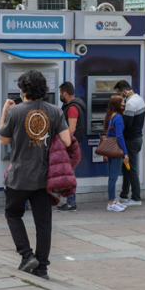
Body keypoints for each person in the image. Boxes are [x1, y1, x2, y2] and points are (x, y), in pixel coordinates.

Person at [0, 70, 70, 280]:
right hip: (44, 177)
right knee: (43, 222)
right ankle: (42, 268)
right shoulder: (55, 111)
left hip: (19, 176)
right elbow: (66, 141)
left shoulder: (15, 112)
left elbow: (3, 140)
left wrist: (4, 111)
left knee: (13, 214)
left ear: (23, 90)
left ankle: (27, 255)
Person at [114, 80, 145, 206]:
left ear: (125, 91)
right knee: (126, 167)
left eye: (119, 93)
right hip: (137, 138)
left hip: (131, 140)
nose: (119, 96)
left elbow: (127, 124)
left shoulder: (131, 103)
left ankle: (136, 197)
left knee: (131, 168)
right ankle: (124, 194)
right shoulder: (139, 99)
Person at [56, 81, 86, 213]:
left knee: (69, 174)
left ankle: (71, 203)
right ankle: (69, 202)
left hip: (71, 146)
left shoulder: (72, 108)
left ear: (65, 93)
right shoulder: (71, 106)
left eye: (61, 93)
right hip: (72, 144)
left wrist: (61, 143)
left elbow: (71, 129)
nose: (60, 95)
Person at [103, 95, 129, 212]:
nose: (124, 104)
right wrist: (125, 153)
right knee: (113, 178)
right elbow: (120, 136)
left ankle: (113, 200)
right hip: (116, 150)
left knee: (111, 177)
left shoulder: (111, 116)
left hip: (110, 150)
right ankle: (111, 203)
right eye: (122, 103)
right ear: (118, 105)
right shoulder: (118, 118)